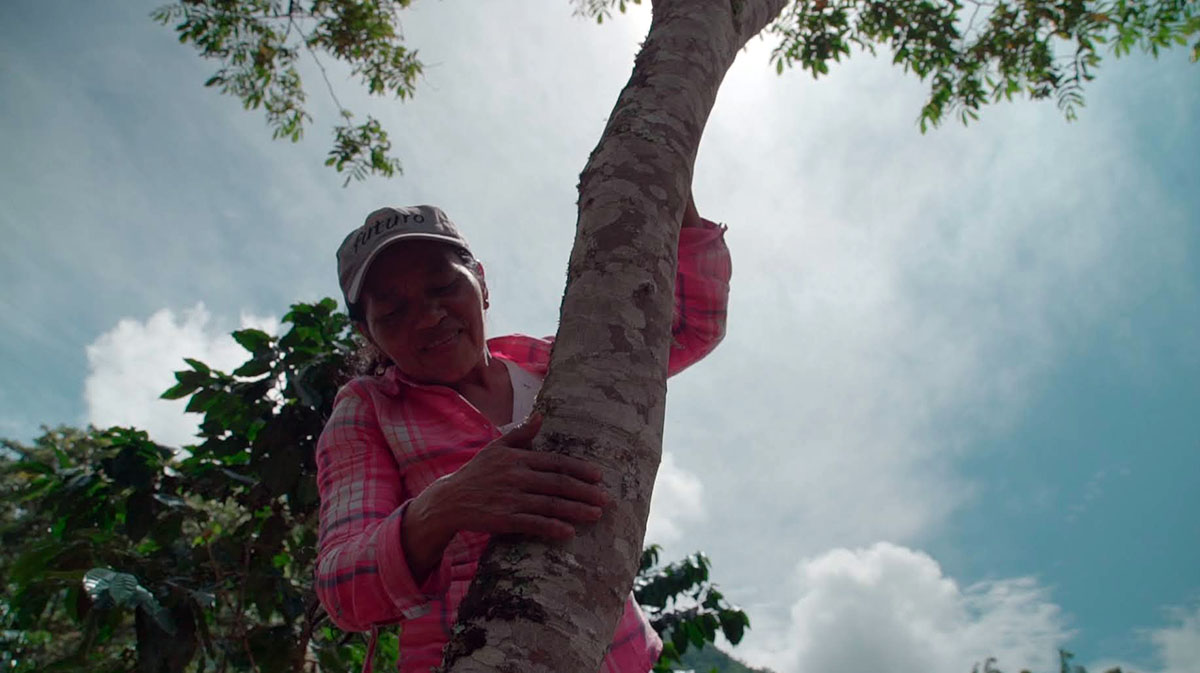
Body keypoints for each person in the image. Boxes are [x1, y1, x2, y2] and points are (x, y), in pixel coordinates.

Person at [314, 199, 731, 673]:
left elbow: (688, 325)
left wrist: (676, 180)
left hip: (615, 657)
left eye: (445, 285)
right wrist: (446, 505)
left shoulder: (557, 362)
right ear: (369, 334)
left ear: (482, 283)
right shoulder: (368, 409)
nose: (429, 317)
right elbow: (343, 589)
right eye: (393, 311)